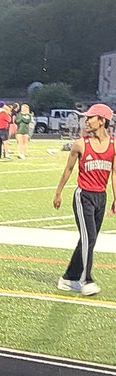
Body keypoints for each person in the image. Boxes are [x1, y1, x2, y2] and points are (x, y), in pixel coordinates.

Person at [52, 103, 115, 297]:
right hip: (83, 196)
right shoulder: (81, 143)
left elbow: (114, 173)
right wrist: (58, 192)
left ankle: (68, 277)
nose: (86, 121)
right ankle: (85, 279)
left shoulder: (113, 145)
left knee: (89, 239)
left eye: (90, 118)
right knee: (89, 238)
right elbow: (69, 169)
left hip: (101, 196)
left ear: (102, 121)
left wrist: (115, 198)